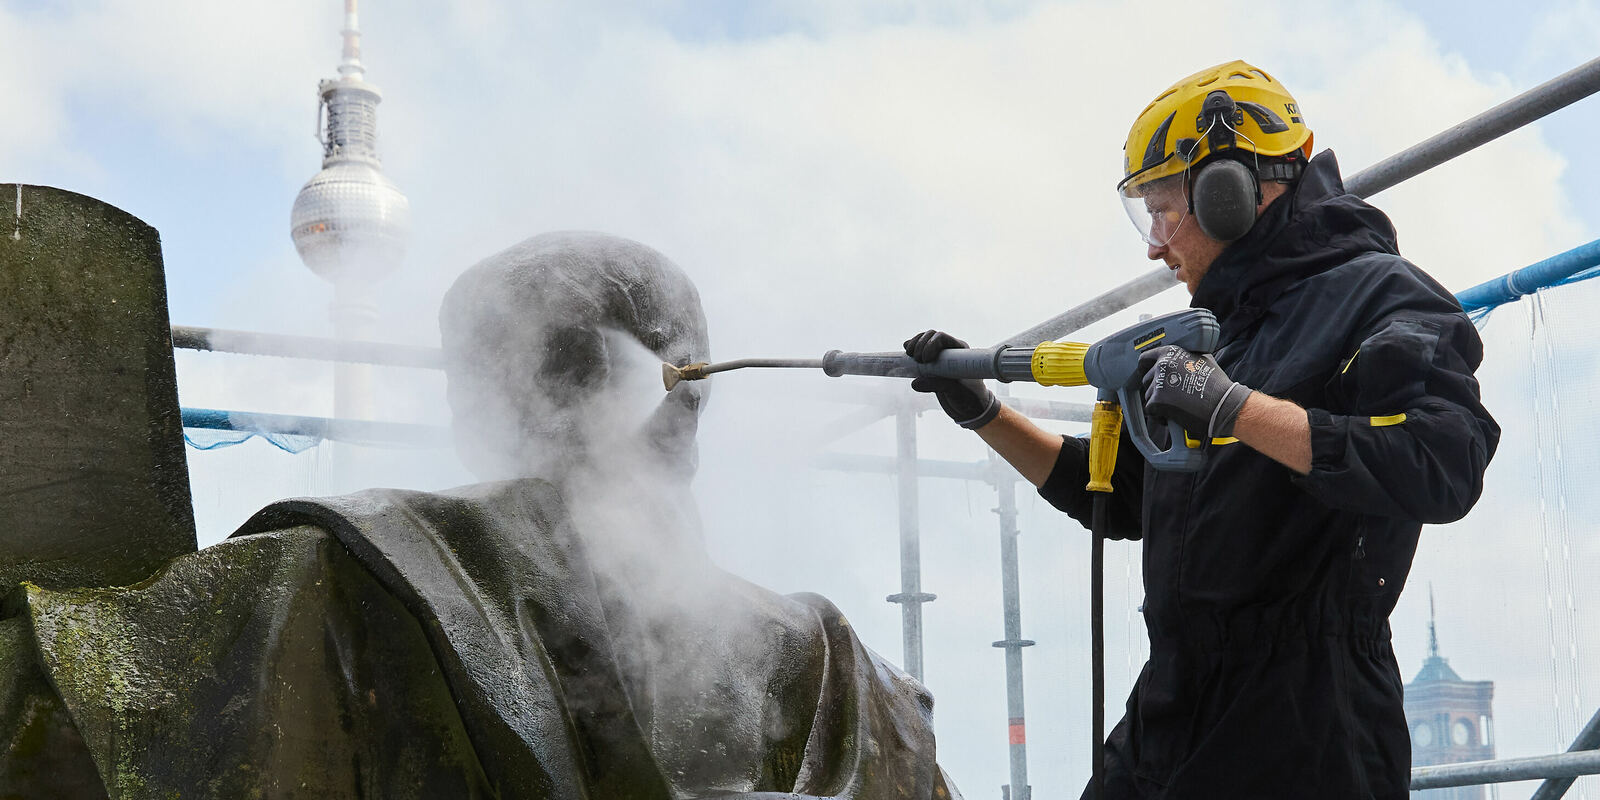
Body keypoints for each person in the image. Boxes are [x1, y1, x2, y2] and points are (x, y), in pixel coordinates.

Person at [905, 61, 1499, 799]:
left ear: (1230, 191)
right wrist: (984, 413)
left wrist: (1231, 408)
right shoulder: (1221, 330)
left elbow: (1442, 463)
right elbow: (1125, 497)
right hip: (1175, 706)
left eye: (1162, 209)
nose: (1154, 245)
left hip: (1307, 731)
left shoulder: (1381, 297)